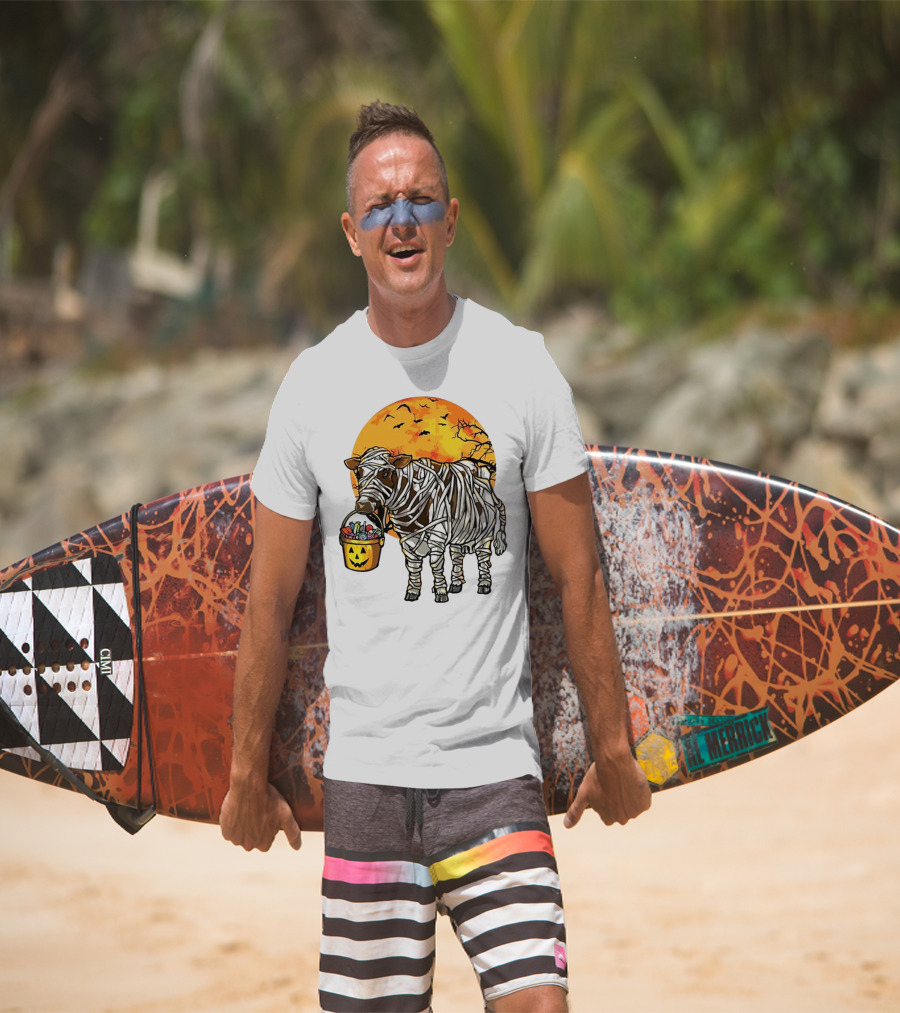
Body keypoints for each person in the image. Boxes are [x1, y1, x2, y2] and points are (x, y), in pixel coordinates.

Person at [220, 100, 651, 1013]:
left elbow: (579, 575)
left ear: (450, 219)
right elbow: (269, 600)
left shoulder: (522, 367)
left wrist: (612, 746)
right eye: (380, 206)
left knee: (540, 1003)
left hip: (495, 772)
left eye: (421, 200)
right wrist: (242, 772)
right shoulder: (313, 387)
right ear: (351, 232)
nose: (402, 220)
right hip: (368, 779)